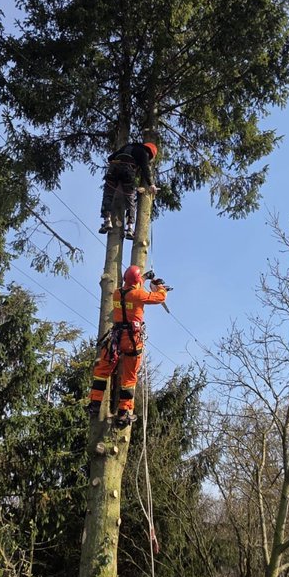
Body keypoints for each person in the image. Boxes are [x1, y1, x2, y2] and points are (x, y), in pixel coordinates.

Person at [87, 264, 169, 426]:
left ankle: (94, 404)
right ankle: (123, 412)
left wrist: (144, 277)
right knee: (129, 377)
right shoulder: (139, 295)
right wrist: (160, 286)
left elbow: (132, 287)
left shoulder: (117, 293)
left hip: (116, 338)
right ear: (137, 281)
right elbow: (160, 298)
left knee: (102, 371)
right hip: (132, 339)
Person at [99, 141, 158, 240]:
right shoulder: (144, 153)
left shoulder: (127, 146)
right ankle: (130, 228)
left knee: (108, 194)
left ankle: (107, 220)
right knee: (130, 199)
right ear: (151, 152)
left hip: (113, 169)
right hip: (128, 172)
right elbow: (145, 169)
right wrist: (151, 184)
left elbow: (110, 158)